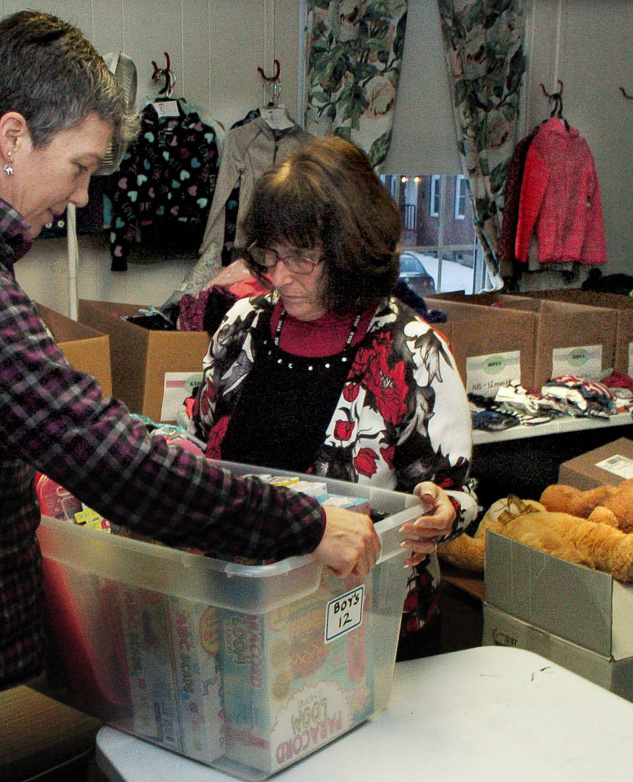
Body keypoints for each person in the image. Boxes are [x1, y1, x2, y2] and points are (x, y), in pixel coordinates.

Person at [0, 13, 384, 782]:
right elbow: (111, 460)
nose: (83, 193)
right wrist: (307, 525)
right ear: (14, 137)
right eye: (81, 165)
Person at [187, 135, 480, 661]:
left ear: (350, 250)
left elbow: (456, 495)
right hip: (244, 617)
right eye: (269, 256)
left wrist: (444, 512)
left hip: (364, 636)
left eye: (301, 257)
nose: (279, 275)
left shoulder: (411, 351)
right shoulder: (242, 327)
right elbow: (198, 443)